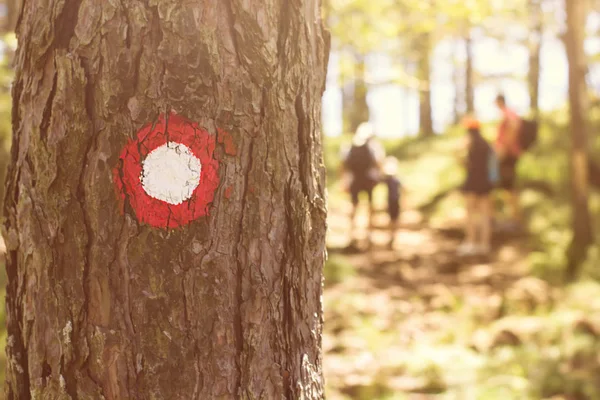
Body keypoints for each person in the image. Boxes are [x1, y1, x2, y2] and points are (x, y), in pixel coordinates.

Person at [340, 122, 385, 245]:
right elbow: (379, 162)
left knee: (354, 206)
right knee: (370, 206)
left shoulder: (350, 145)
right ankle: (369, 235)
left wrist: (344, 181)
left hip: (355, 179)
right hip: (368, 179)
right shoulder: (374, 145)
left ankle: (352, 235)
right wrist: (380, 177)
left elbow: (344, 165)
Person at [457, 117, 495, 256]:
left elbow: (457, 153)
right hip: (486, 182)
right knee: (485, 215)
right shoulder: (486, 143)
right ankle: (485, 244)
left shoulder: (469, 141)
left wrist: (464, 164)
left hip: (473, 180)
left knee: (470, 213)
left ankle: (471, 242)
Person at [494, 94, 522, 227]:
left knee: (509, 187)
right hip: (508, 154)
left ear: (499, 102)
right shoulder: (507, 113)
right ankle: (512, 218)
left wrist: (504, 148)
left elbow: (514, 126)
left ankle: (515, 219)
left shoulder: (508, 113)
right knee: (507, 187)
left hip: (508, 155)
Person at [381, 156, 404, 249]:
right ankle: (392, 237)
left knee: (393, 220)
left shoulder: (391, 179)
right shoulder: (393, 179)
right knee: (393, 220)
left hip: (393, 201)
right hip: (393, 201)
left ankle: (393, 237)